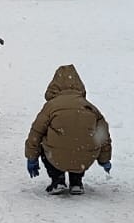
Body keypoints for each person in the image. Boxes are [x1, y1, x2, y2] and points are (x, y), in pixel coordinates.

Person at [24, 65, 112, 196]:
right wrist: (105, 159)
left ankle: (57, 180)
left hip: (56, 157)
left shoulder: (51, 107)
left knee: (44, 138)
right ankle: (76, 182)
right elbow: (103, 135)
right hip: (83, 158)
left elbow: (36, 133)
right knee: (81, 138)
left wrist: (32, 158)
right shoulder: (90, 107)